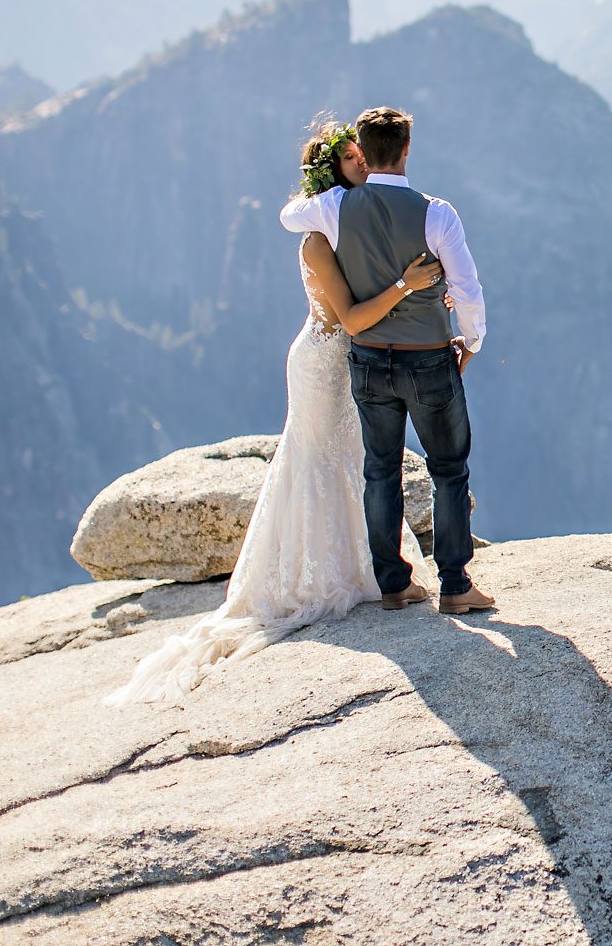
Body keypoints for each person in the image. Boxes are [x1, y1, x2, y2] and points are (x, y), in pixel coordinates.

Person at [106, 120, 447, 705]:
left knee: (353, 459)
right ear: (333, 172)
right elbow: (351, 317)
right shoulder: (317, 241)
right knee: (316, 461)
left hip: (352, 358)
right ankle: (320, 577)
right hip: (323, 361)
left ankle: (364, 568)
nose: (364, 162)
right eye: (351, 158)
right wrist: (407, 285)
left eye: (364, 154)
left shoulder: (356, 221)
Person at [277, 106, 493, 616]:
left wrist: (325, 194)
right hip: (428, 358)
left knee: (380, 470)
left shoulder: (333, 208)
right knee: (448, 470)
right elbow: (467, 289)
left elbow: (288, 217)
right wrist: (471, 342)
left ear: (364, 152)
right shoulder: (437, 214)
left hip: (369, 359)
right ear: (407, 150)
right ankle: (456, 585)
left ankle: (393, 584)